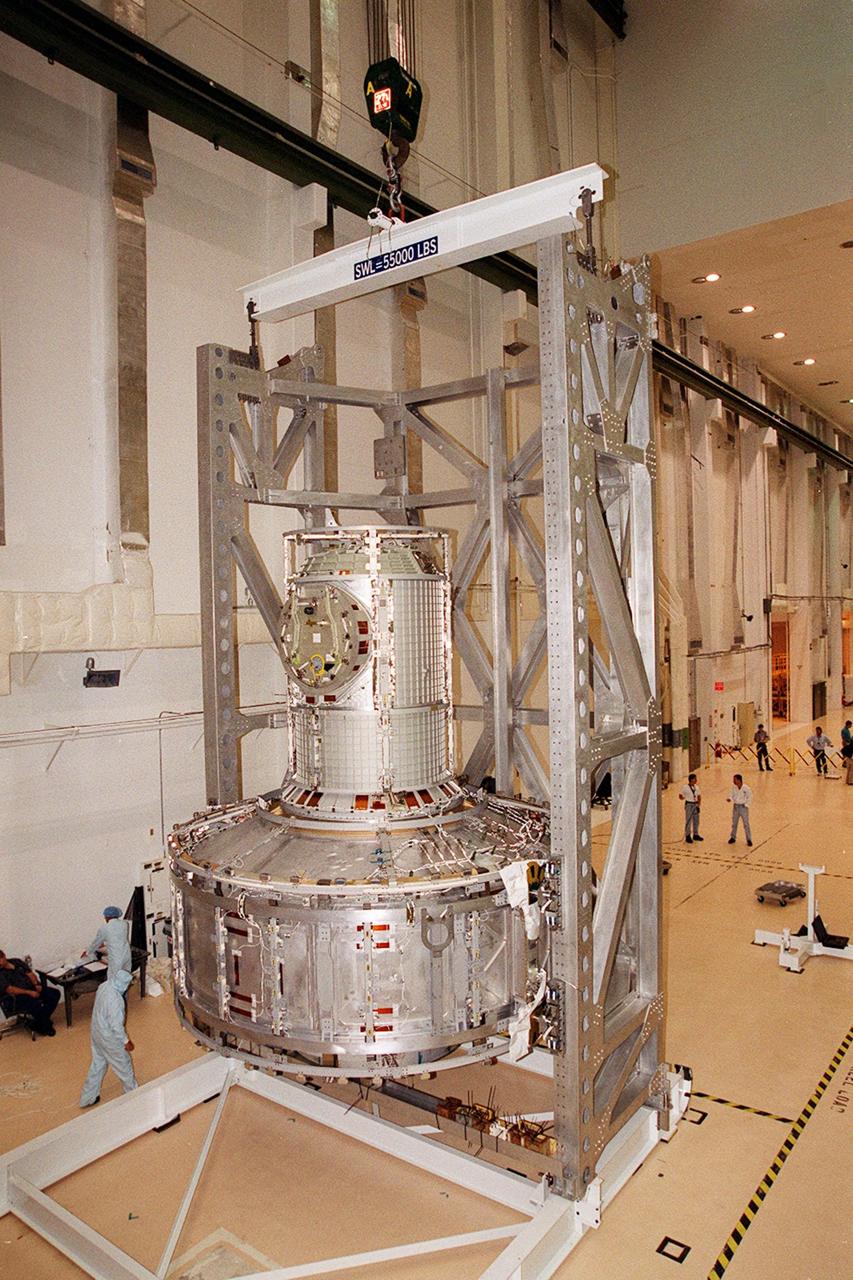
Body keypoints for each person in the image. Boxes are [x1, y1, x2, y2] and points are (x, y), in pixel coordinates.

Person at [79, 968, 137, 1107]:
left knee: (98, 1065)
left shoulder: (104, 986)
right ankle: (134, 1096)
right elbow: (116, 1026)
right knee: (124, 1065)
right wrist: (126, 1041)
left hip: (97, 1032)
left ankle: (87, 1098)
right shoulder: (116, 1001)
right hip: (109, 1038)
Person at [0, 951, 60, 1036]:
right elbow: (10, 989)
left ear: (4, 956)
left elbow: (30, 973)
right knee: (34, 1003)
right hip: (14, 997)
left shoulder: (16, 962)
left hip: (31, 988)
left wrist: (36, 985)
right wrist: (29, 992)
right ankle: (46, 1026)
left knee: (54, 994)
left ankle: (39, 1022)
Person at [82, 905, 132, 979]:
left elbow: (96, 943)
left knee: (114, 982)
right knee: (125, 979)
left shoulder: (104, 928)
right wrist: (105, 943)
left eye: (105, 916)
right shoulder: (124, 924)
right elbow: (117, 938)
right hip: (126, 956)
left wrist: (87, 952)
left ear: (107, 917)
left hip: (116, 959)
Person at [726, 773, 753, 846]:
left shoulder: (746, 788)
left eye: (735, 780)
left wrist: (746, 805)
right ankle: (733, 837)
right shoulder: (734, 787)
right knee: (734, 823)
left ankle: (749, 839)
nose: (733, 781)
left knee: (746, 824)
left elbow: (750, 797)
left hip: (743, 807)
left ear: (739, 780)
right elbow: (731, 794)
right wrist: (730, 798)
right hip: (736, 807)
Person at [678, 773, 703, 843]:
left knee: (696, 820)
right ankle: (688, 836)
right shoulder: (685, 787)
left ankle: (696, 834)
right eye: (695, 778)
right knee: (688, 820)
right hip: (689, 804)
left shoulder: (696, 787)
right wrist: (682, 798)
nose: (696, 780)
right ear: (691, 779)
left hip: (695, 805)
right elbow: (680, 795)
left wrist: (699, 804)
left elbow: (699, 796)